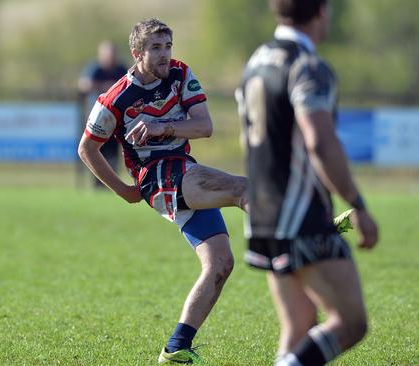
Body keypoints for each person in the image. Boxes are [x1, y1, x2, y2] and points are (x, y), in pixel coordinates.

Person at [78, 18, 248, 364]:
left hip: (183, 169)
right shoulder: (116, 97)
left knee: (220, 263)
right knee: (244, 188)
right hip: (156, 178)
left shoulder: (181, 75)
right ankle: (302, 238)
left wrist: (161, 126)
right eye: (156, 48)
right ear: (137, 53)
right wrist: (124, 191)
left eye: (168, 46)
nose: (164, 55)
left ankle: (176, 348)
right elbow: (86, 148)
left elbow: (205, 126)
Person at [236, 1, 379, 365]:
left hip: (262, 212)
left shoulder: (255, 62)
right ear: (320, 12)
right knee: (350, 322)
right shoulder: (308, 66)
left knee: (299, 327)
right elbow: (319, 141)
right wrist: (357, 205)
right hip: (301, 215)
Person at [77, 41, 127, 187]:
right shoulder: (95, 69)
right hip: (97, 118)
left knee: (113, 151)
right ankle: (97, 183)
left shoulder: (121, 69)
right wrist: (104, 87)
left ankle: (112, 183)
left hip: (116, 118)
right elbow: (83, 84)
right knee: (95, 149)